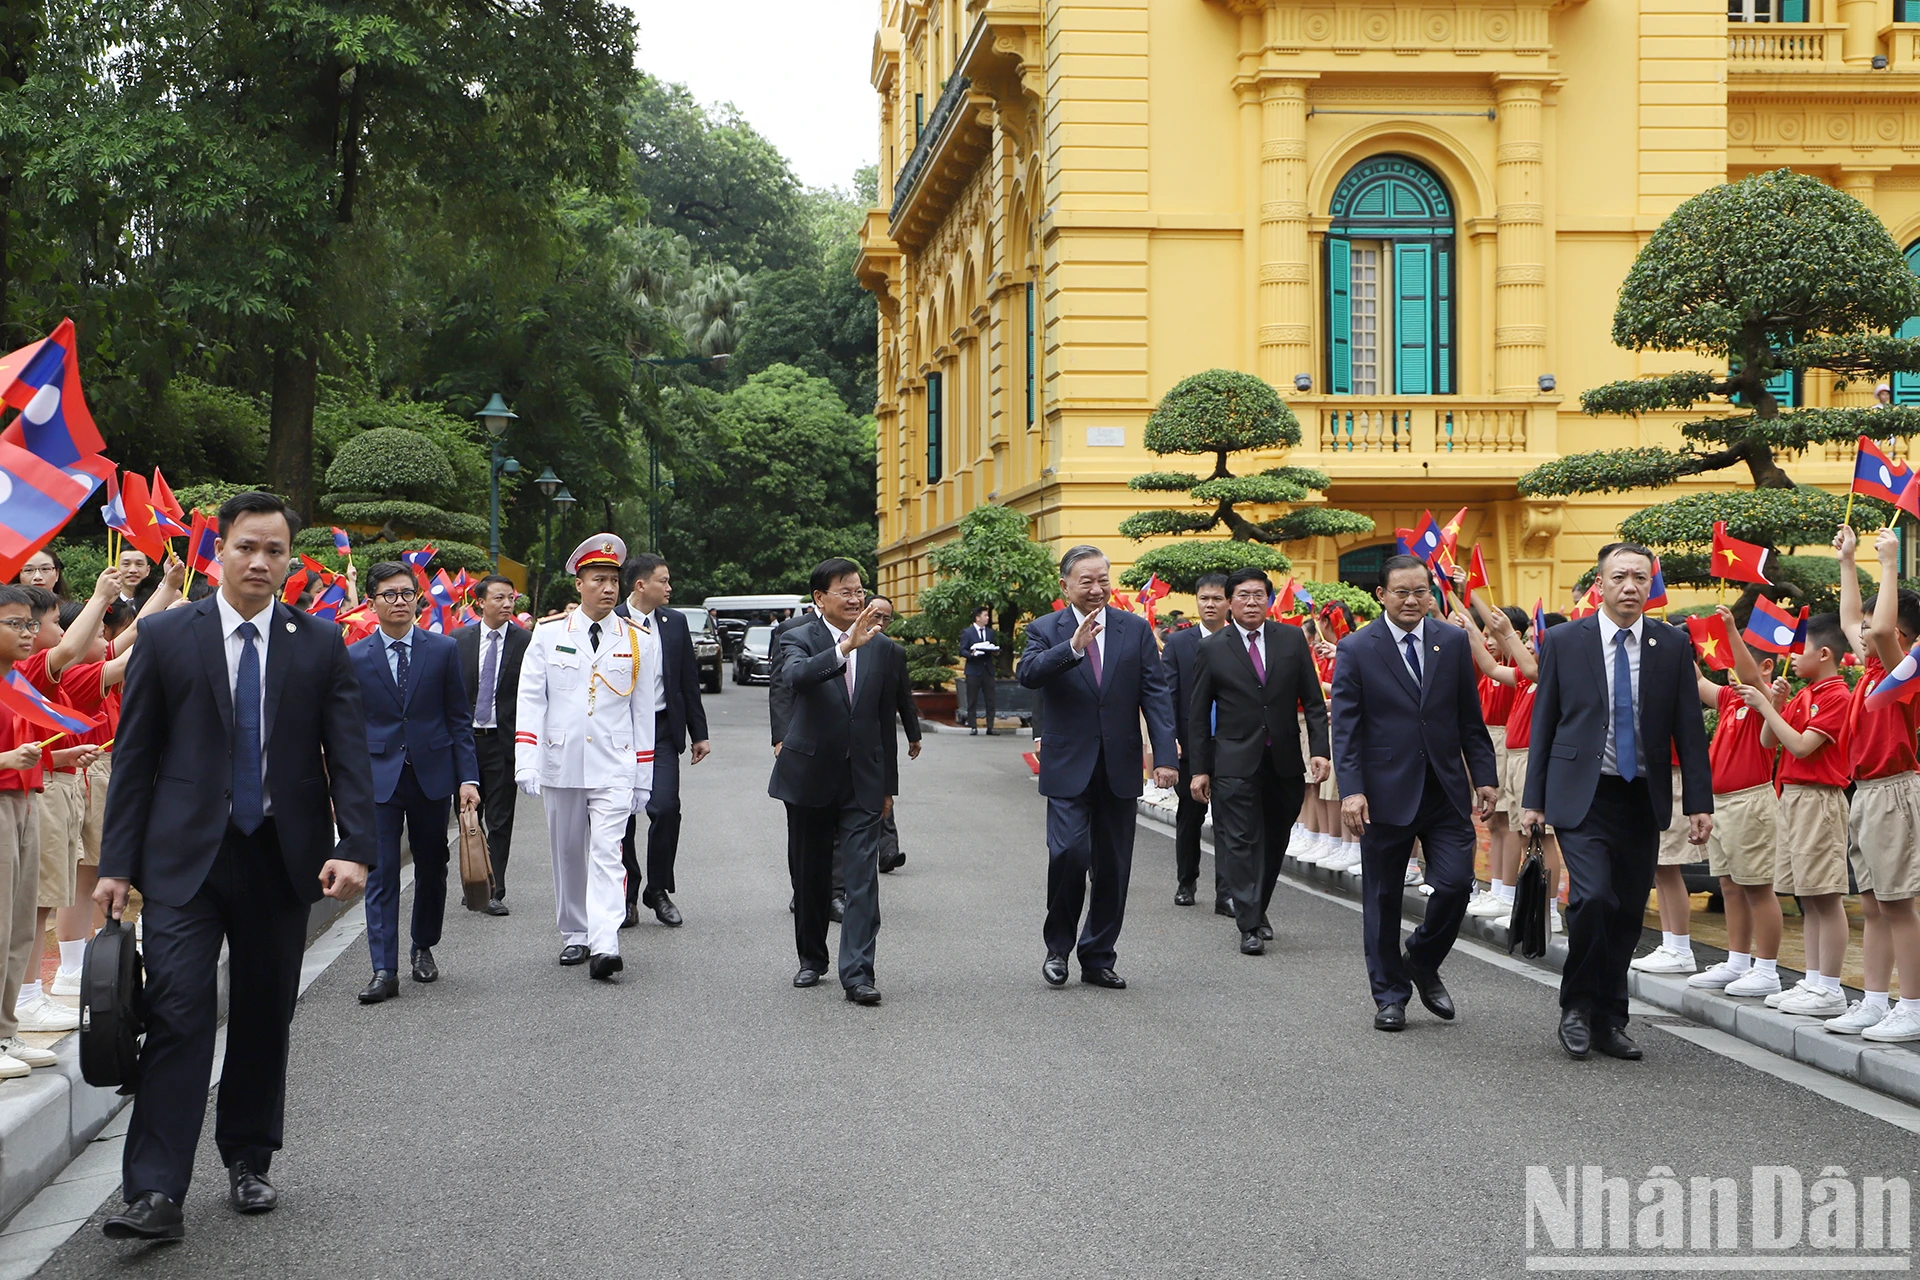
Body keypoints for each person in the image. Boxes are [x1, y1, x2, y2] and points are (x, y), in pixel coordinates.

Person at [94, 491, 376, 1240]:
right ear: (217, 551)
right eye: (246, 547)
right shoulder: (165, 637)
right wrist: (116, 864)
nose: (260, 562)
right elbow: (135, 758)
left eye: (275, 551)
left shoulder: (318, 644)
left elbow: (349, 755)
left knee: (262, 1013)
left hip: (283, 858)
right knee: (180, 1012)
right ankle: (154, 1192)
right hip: (185, 860)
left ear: (288, 561)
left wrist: (355, 846)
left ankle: (249, 1156)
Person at [1522, 542, 1712, 1062]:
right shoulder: (1564, 640)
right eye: (1620, 577)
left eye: (1640, 578)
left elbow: (1687, 728)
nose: (1630, 587)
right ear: (1599, 585)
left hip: (1641, 796)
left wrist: (1699, 801)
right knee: (1592, 899)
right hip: (1584, 793)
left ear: (1650, 586)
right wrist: (1533, 798)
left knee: (1628, 912)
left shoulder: (1671, 644)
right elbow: (1546, 722)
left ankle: (1612, 1017)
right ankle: (1577, 1006)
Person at [1330, 555, 1499, 1031]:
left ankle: (1422, 958)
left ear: (1431, 593)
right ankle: (1389, 994)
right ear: (1381, 595)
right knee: (1382, 898)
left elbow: (1470, 716)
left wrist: (1483, 774)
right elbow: (1346, 728)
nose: (1412, 600)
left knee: (1454, 884)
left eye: (1420, 591)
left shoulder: (1450, 640)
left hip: (1444, 789)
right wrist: (1352, 791)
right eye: (1401, 592)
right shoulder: (1357, 647)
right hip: (1383, 793)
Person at [1017, 545, 1176, 990]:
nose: (1096, 588)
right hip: (1068, 764)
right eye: (1086, 581)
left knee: (1112, 867)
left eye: (1103, 579)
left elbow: (1156, 697)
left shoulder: (1136, 629)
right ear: (1065, 584)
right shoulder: (1045, 629)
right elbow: (1028, 674)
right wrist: (1072, 647)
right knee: (1068, 854)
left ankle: (1099, 955)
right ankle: (1057, 949)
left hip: (1120, 765)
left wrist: (1164, 756)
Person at [768, 560, 919, 1005]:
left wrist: (888, 786)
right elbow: (795, 678)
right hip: (809, 775)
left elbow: (881, 720)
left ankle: (858, 972)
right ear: (820, 598)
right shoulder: (795, 636)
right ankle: (812, 958)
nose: (856, 599)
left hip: (863, 780)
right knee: (810, 875)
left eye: (859, 591)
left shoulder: (885, 649)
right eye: (845, 592)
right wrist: (843, 649)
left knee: (862, 878)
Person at [515, 535, 654, 981]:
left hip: (614, 762)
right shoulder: (550, 633)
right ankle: (574, 932)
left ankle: (605, 940)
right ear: (580, 584)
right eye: (599, 580)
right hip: (561, 760)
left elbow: (642, 710)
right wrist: (526, 758)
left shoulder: (637, 640)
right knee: (568, 851)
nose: (609, 588)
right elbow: (532, 698)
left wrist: (643, 776)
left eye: (614, 580)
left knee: (608, 851)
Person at [349, 563, 481, 1003]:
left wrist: (468, 779)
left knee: (432, 867)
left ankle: (423, 946)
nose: (401, 601)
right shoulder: (354, 657)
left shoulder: (442, 650)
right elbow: (347, 727)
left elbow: (459, 719)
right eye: (390, 594)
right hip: (378, 778)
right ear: (372, 603)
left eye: (408, 593)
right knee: (381, 872)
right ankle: (383, 969)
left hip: (432, 774)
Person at [1187, 568, 1329, 955]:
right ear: (1230, 602)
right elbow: (1197, 715)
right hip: (1233, 760)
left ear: (1268, 600)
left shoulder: (1291, 639)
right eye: (1244, 596)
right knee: (1239, 841)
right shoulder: (1213, 647)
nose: (1252, 602)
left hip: (1283, 759)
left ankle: (1257, 908)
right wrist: (1200, 768)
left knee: (1274, 839)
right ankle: (1248, 923)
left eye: (1259, 595)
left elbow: (1313, 701)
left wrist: (1320, 750)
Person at [1827, 527, 1920, 1041]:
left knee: (1899, 902)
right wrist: (1847, 562)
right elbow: (1851, 621)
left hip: (1894, 790)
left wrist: (1888, 562)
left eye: (1873, 629)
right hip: (1866, 791)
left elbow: (1880, 630)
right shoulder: (1870, 673)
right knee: (1874, 903)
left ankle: (1912, 1004)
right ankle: (1878, 999)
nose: (1860, 633)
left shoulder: (1902, 671)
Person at [1684, 607, 1785, 1000]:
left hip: (1750, 803)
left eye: (1736, 654)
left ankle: (1768, 968)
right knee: (1728, 885)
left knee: (1758, 887)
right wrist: (1683, 645)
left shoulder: (1769, 699)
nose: (1728, 665)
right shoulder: (1729, 699)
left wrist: (1728, 627)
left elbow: (1750, 678)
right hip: (1722, 803)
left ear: (1766, 665)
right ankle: (1738, 961)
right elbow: (1695, 683)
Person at [614, 553, 711, 928]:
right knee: (621, 815)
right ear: (640, 585)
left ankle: (658, 890)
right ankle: (626, 894)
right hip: (619, 733)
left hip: (661, 730)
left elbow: (689, 681)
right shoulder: (612, 621)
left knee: (665, 808)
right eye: (663, 581)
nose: (669, 588)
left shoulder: (674, 623)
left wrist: (698, 733)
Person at [455, 575, 530, 915]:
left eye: (511, 598)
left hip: (504, 742)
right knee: (472, 817)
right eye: (499, 598)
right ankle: (475, 881)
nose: (507, 604)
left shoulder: (526, 642)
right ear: (481, 602)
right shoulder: (459, 641)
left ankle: (494, 889)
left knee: (500, 819)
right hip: (467, 742)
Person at [1158, 573, 1229, 908]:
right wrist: (1169, 740)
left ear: (1229, 601)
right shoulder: (1179, 644)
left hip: (1233, 745)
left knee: (1231, 821)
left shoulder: (1239, 641)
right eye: (1204, 599)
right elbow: (1168, 696)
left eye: (1217, 598)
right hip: (1191, 745)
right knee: (1190, 816)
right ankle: (1186, 881)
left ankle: (1227, 893)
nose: (1210, 604)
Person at [865, 594, 919, 874]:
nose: (882, 622)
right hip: (851, 734)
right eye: (877, 615)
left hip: (882, 734)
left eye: (887, 618)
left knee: (884, 790)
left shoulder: (893, 652)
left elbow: (904, 696)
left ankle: (888, 851)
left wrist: (914, 734)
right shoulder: (845, 646)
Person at [961, 605, 999, 734]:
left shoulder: (990, 632)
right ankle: (973, 726)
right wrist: (971, 654)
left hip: (987, 670)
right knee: (972, 700)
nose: (987, 618)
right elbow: (962, 650)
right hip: (973, 670)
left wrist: (995, 652)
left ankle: (990, 727)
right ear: (978, 618)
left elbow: (994, 647)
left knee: (991, 700)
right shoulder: (967, 632)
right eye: (985, 615)